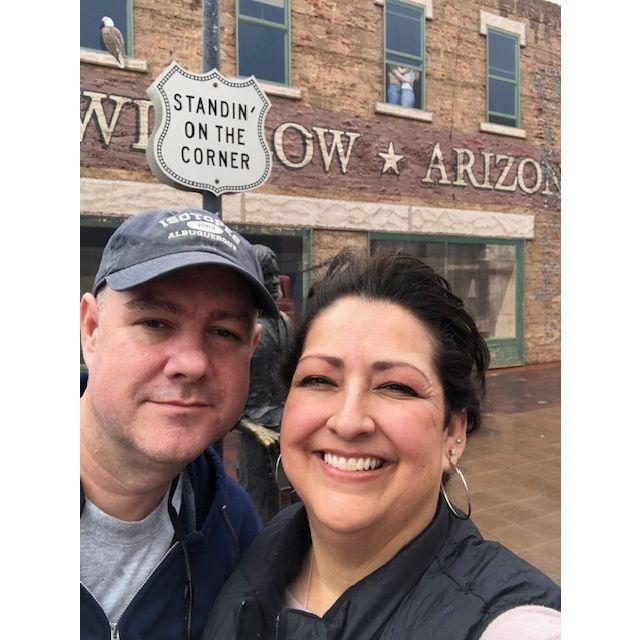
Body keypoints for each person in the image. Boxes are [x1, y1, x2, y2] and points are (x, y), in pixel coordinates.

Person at [203, 250, 560, 640]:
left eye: (396, 387)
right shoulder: (261, 538)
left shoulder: (510, 620)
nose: (348, 421)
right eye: (319, 380)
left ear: (453, 432)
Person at [80, 208, 279, 640]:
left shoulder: (234, 524)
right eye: (154, 323)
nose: (191, 363)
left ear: (252, 349)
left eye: (224, 333)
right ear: (91, 329)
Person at [236, 245, 294, 525]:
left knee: (294, 498)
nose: (273, 283)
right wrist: (255, 428)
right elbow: (226, 394)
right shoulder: (243, 329)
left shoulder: (285, 323)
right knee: (258, 502)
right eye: (266, 276)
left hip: (287, 427)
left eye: (275, 276)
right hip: (256, 435)